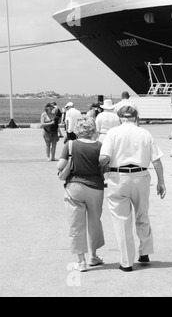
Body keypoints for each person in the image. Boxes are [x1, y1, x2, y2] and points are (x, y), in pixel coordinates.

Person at [99, 105, 167, 272]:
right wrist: (161, 182)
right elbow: (156, 160)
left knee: (122, 220)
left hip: (118, 177)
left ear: (120, 117)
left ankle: (127, 262)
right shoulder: (145, 133)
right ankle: (145, 252)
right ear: (136, 117)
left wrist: (102, 167)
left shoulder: (113, 133)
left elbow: (104, 157)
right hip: (141, 176)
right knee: (142, 214)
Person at [56, 116, 106, 272]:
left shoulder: (70, 145)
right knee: (94, 222)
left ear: (77, 129)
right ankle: (94, 256)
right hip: (95, 188)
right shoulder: (100, 146)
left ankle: (81, 261)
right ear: (92, 129)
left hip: (74, 187)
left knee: (76, 225)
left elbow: (60, 165)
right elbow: (105, 167)